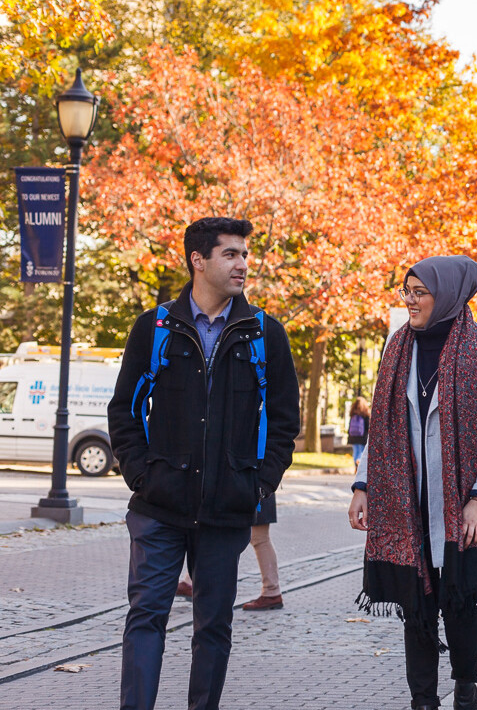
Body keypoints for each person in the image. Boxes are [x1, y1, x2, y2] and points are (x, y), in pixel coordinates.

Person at [107, 217, 300, 710]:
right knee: (146, 616)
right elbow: (124, 410)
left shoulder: (264, 334)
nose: (243, 264)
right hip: (158, 507)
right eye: (230, 254)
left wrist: (257, 485)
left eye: (244, 254)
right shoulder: (154, 328)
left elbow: (283, 421)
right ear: (199, 259)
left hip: (226, 510)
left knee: (213, 626)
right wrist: (141, 475)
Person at [348, 256, 477, 710]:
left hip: (462, 501)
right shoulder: (397, 346)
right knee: (414, 605)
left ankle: (466, 688)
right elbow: (383, 430)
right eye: (407, 291)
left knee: (461, 600)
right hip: (405, 501)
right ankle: (422, 700)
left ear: (446, 295)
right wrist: (363, 484)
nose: (410, 301)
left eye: (420, 292)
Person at [349, 396, 371, 465]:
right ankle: (358, 461)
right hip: (362, 436)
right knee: (361, 451)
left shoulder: (353, 413)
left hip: (353, 436)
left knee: (355, 451)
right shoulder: (365, 414)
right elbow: (368, 427)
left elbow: (349, 426)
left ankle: (356, 464)